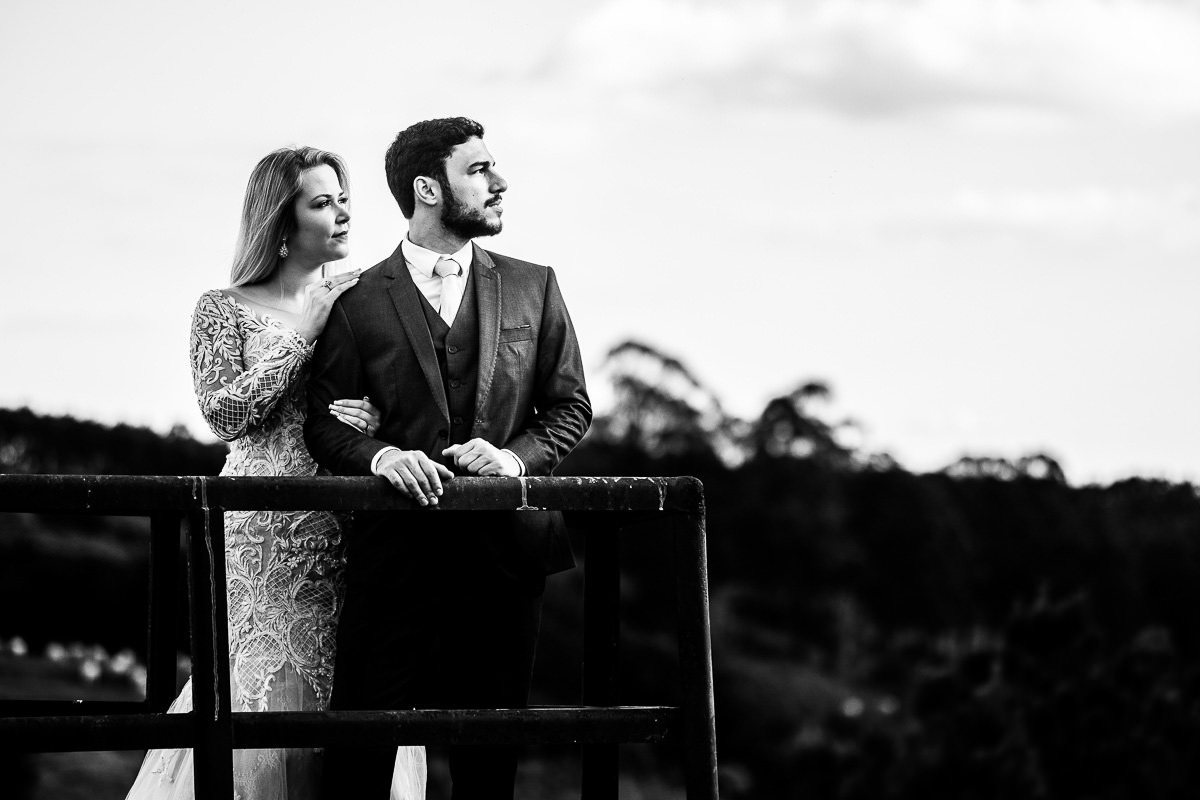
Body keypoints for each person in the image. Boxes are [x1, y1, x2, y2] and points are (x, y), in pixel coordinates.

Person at [124, 147, 427, 800]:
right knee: (264, 691)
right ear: (281, 223)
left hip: (345, 534)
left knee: (355, 696)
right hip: (264, 538)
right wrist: (301, 335)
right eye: (322, 202)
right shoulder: (221, 307)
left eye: (344, 198)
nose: (343, 213)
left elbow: (402, 407)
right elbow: (224, 414)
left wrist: (375, 419)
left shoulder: (363, 301)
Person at [304, 117, 592, 799]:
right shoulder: (356, 300)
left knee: (489, 768)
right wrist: (382, 456)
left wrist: (513, 460)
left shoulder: (534, 285)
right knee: (359, 757)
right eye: (479, 170)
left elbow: (571, 407)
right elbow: (324, 424)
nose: (500, 182)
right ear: (427, 189)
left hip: (506, 556)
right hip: (394, 556)